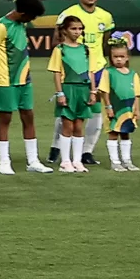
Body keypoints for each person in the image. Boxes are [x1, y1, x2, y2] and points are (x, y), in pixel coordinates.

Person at [56, 0, 117, 164]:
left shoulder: (105, 16)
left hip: (97, 67)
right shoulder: (69, 13)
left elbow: (106, 41)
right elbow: (57, 38)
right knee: (68, 108)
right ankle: (57, 147)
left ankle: (87, 151)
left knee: (96, 109)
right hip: (75, 68)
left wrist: (111, 65)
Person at [0, 0, 50, 175]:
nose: (32, 20)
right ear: (22, 12)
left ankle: (33, 160)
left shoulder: (21, 24)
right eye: (31, 16)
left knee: (28, 116)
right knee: (5, 118)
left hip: (25, 79)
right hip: (5, 80)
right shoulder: (0, 27)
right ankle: (4, 161)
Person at [48, 15, 94, 174]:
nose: (77, 32)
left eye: (80, 29)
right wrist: (60, 92)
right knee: (67, 125)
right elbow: (56, 72)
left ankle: (77, 160)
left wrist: (93, 91)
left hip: (84, 89)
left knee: (79, 126)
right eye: (73, 29)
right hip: (68, 89)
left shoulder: (85, 49)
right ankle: (65, 161)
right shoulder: (60, 50)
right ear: (65, 31)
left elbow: (90, 72)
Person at [102, 38, 140, 172]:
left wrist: (137, 109)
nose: (119, 59)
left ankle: (127, 160)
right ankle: (115, 161)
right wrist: (108, 107)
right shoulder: (108, 72)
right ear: (111, 58)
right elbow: (105, 91)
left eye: (122, 56)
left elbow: (137, 94)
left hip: (129, 109)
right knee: (113, 132)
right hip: (115, 107)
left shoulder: (133, 74)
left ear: (127, 58)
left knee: (126, 133)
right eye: (115, 57)